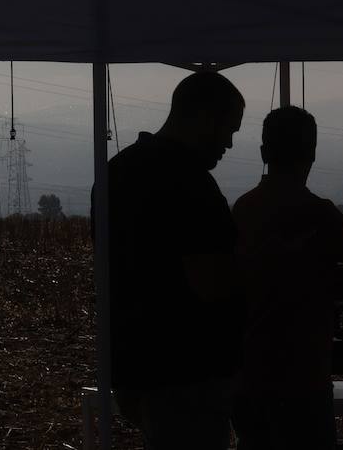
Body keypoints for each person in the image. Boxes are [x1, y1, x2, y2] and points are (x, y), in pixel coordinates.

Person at [231, 106, 343, 449]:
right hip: (305, 376)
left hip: (250, 375)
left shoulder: (243, 210)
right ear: (312, 154)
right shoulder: (321, 215)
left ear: (263, 153)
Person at [104, 71, 245, 449]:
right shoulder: (189, 182)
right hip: (189, 369)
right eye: (228, 129)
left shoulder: (115, 173)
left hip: (136, 366)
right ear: (202, 117)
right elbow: (211, 282)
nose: (229, 144)